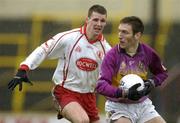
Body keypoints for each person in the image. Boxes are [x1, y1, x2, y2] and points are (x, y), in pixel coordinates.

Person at [8, 4, 111, 123]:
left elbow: (110, 77)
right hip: (65, 92)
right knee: (82, 120)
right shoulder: (69, 38)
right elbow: (43, 49)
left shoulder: (106, 49)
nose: (99, 24)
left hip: (89, 97)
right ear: (87, 20)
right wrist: (24, 68)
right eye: (95, 19)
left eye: (102, 21)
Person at [96, 16, 168, 123]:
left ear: (137, 35)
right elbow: (101, 85)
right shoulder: (112, 55)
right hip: (118, 107)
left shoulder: (148, 52)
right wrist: (124, 93)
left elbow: (162, 73)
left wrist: (152, 82)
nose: (120, 35)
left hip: (143, 105)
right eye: (119, 31)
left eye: (125, 32)